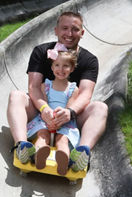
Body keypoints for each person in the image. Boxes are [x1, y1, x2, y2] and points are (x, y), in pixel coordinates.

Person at [7, 11, 108, 173]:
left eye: (75, 29)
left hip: (71, 116)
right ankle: (21, 146)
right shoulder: (41, 52)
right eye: (64, 28)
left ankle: (80, 155)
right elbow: (34, 87)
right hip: (41, 112)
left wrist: (70, 112)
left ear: (82, 33)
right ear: (56, 30)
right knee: (16, 96)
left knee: (100, 108)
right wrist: (44, 109)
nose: (69, 34)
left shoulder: (89, 60)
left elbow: (85, 94)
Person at [25, 45, 81, 174]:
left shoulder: (73, 89)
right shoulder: (46, 85)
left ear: (72, 68)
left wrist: (59, 120)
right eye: (57, 65)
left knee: (62, 139)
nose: (61, 69)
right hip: (46, 118)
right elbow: (43, 104)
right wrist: (49, 118)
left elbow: (69, 109)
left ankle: (63, 158)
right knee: (42, 135)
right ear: (52, 67)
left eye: (65, 66)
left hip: (64, 121)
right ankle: (40, 153)